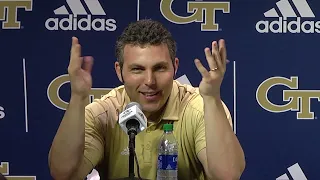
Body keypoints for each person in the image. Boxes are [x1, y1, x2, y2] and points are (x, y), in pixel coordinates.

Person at [48, 19, 245, 180]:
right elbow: (64, 174)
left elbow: (227, 176)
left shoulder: (200, 107)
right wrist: (77, 97)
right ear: (119, 71)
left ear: (175, 67)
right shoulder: (103, 113)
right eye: (137, 69)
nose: (150, 81)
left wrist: (212, 98)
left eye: (159, 68)